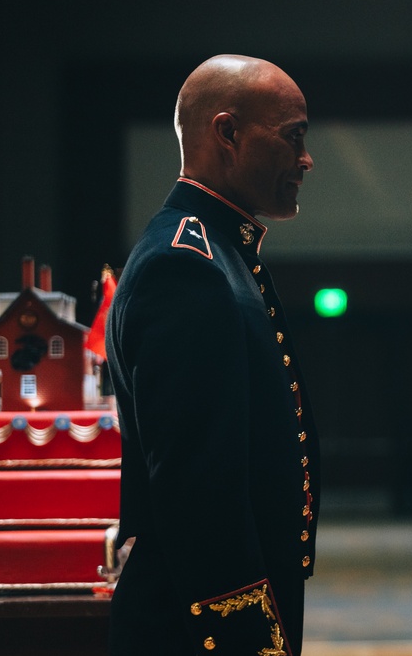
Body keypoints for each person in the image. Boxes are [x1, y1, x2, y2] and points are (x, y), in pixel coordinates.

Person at [105, 54, 320, 656]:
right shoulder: (187, 267)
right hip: (201, 626)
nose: (306, 159)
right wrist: (248, 637)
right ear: (227, 133)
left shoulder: (215, 252)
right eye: (293, 136)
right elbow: (199, 490)